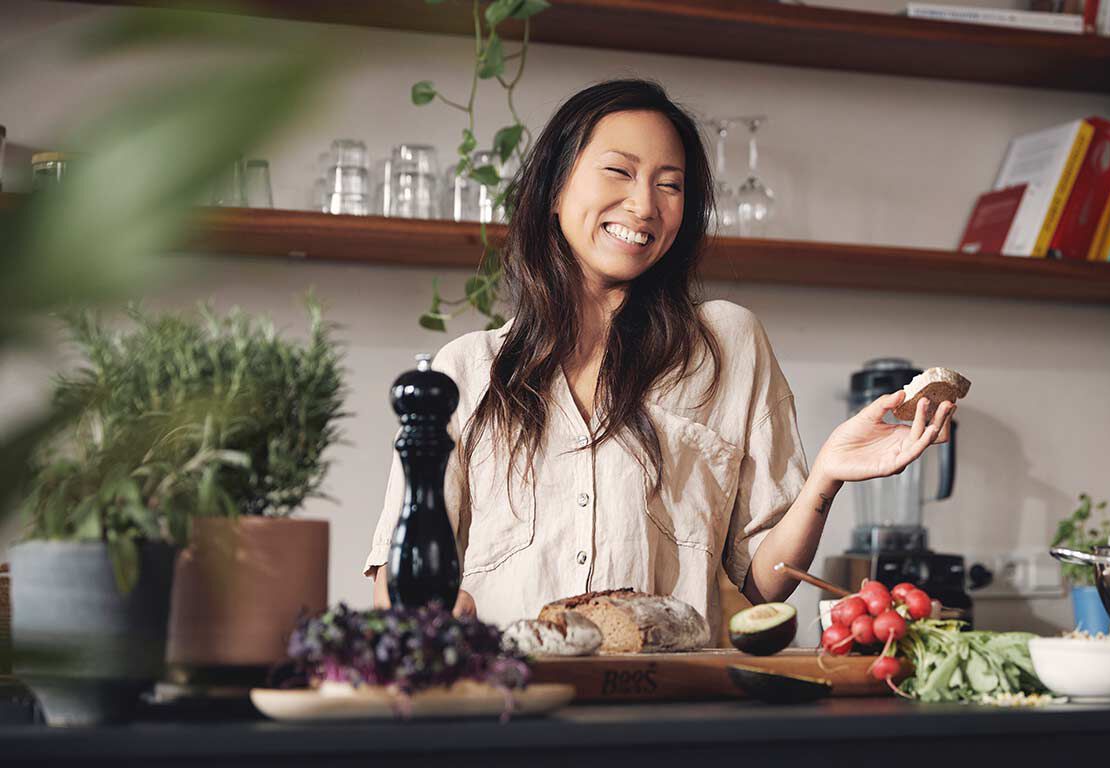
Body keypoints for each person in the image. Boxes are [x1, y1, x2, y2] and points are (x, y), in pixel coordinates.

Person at [365, 79, 954, 637]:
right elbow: (399, 589)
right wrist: (435, 617)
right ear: (553, 190)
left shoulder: (728, 345)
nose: (644, 204)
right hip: (510, 708)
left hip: (673, 706)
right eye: (619, 171)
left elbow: (759, 590)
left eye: (670, 185)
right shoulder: (466, 370)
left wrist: (825, 476)